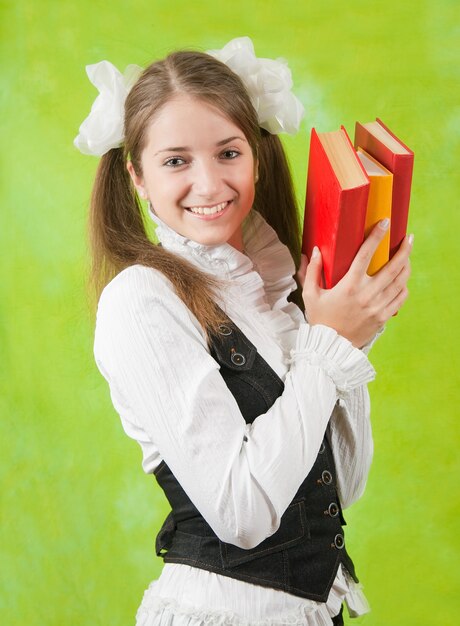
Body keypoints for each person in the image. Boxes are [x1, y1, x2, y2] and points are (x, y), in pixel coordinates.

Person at [74, 37, 412, 626]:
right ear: (138, 176)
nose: (209, 185)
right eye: (176, 160)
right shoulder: (140, 299)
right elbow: (244, 513)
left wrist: (349, 333)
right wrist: (329, 346)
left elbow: (342, 486)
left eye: (227, 153)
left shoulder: (274, 284)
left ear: (255, 155)